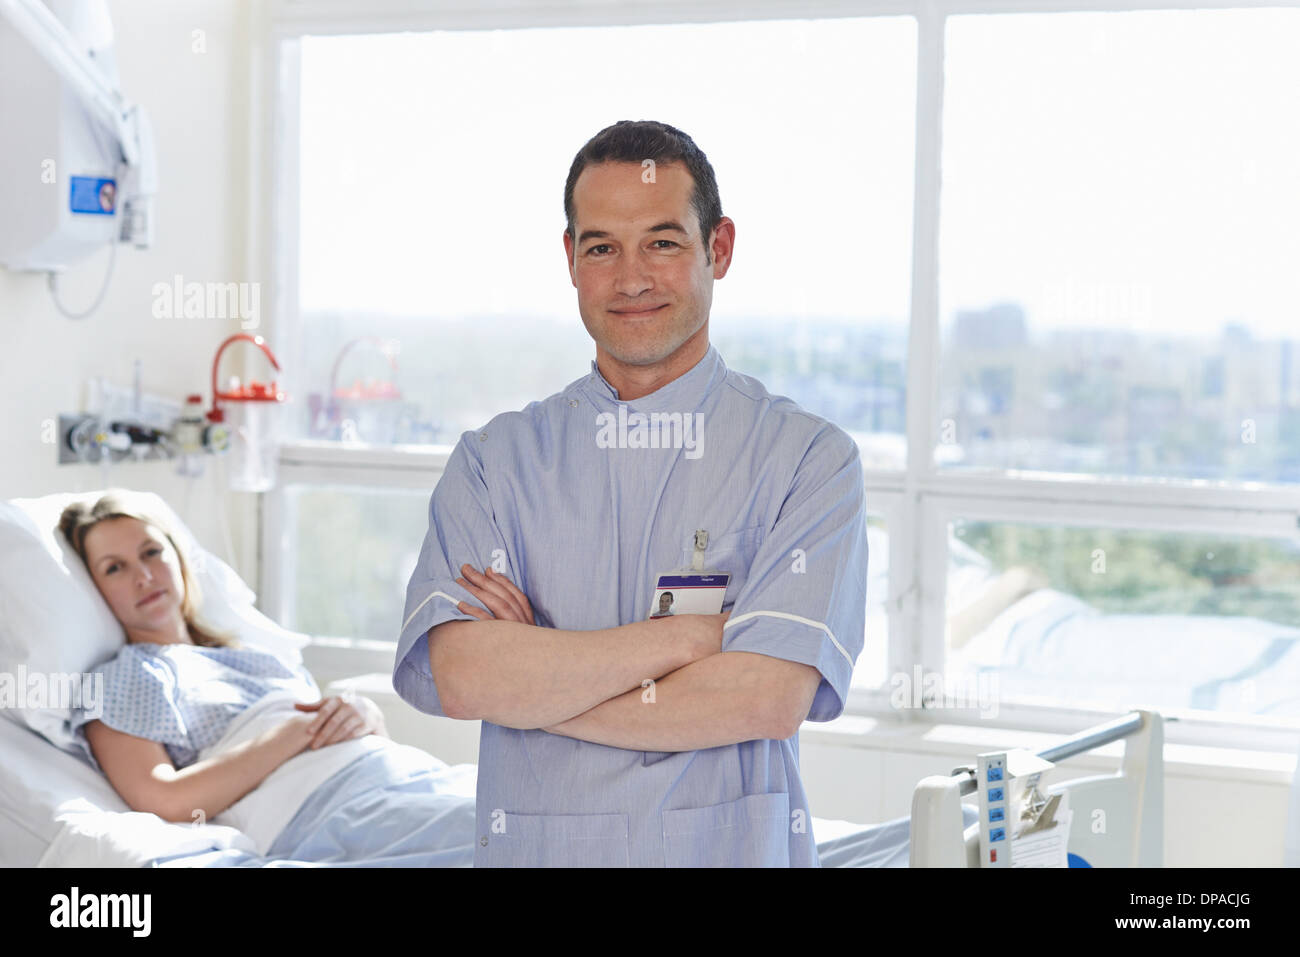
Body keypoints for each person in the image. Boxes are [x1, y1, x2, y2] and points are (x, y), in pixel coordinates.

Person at [394, 120, 868, 867]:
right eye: (602, 247)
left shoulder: (808, 459)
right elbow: (463, 677)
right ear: (571, 259)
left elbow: (765, 699)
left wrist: (539, 681)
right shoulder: (493, 463)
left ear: (719, 249)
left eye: (663, 242)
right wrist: (690, 641)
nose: (632, 277)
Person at [57, 491, 459, 863]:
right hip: (329, 813)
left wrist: (364, 715)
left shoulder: (251, 654)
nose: (143, 575)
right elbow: (165, 798)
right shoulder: (129, 677)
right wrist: (291, 735)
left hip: (402, 776)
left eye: (151, 552)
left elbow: (326, 730)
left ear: (178, 558)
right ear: (95, 592)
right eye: (115, 568)